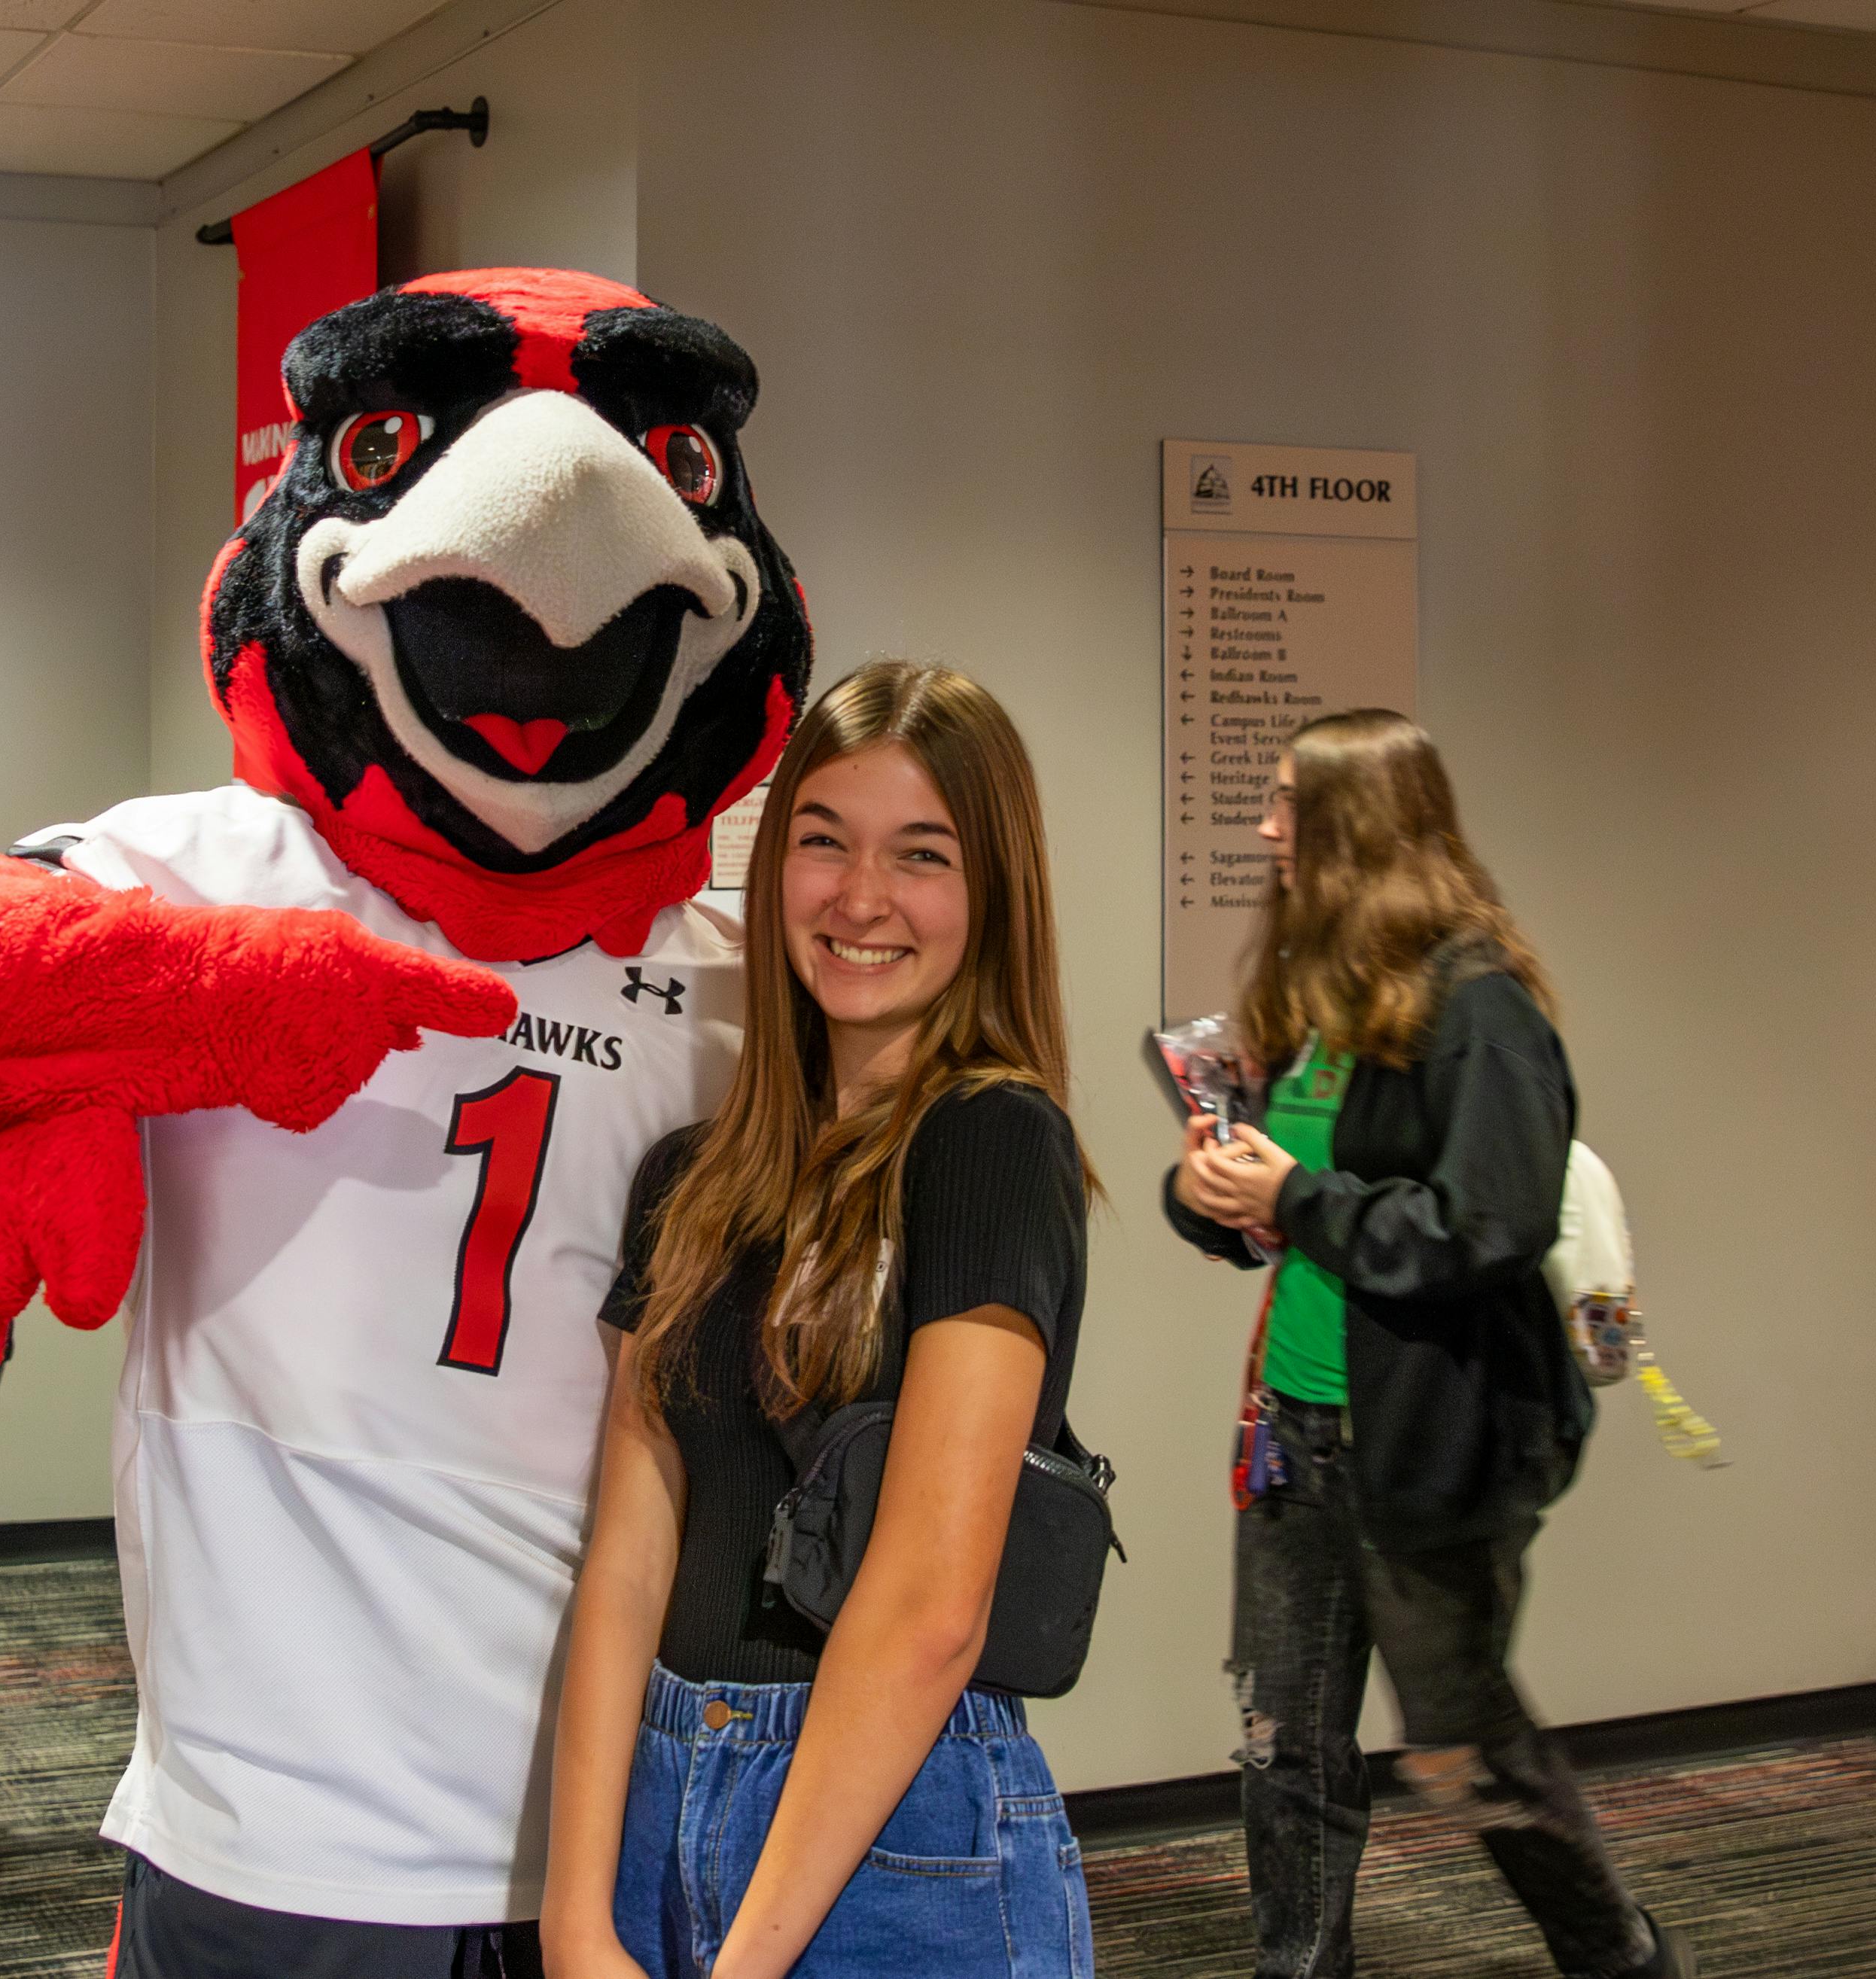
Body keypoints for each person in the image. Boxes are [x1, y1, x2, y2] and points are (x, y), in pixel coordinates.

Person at [544, 662, 1096, 1979]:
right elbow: (626, 1554)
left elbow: (927, 1608)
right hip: (659, 1793)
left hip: (892, 1819)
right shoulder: (688, 1177)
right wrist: (574, 1916)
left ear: (992, 894)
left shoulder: (988, 1141)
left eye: (921, 855)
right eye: (822, 842)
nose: (860, 898)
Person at [1163, 711, 1692, 1979]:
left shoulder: (1480, 1005)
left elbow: (1485, 1225)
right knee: (1285, 1742)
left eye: (1289, 802)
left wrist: (1292, 1198)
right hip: (1292, 1433)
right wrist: (1215, 1198)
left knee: (1459, 1748)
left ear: (1363, 823)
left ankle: (1614, 1953)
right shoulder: (1306, 995)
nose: (1264, 826)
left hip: (1427, 1444)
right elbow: (1291, 1213)